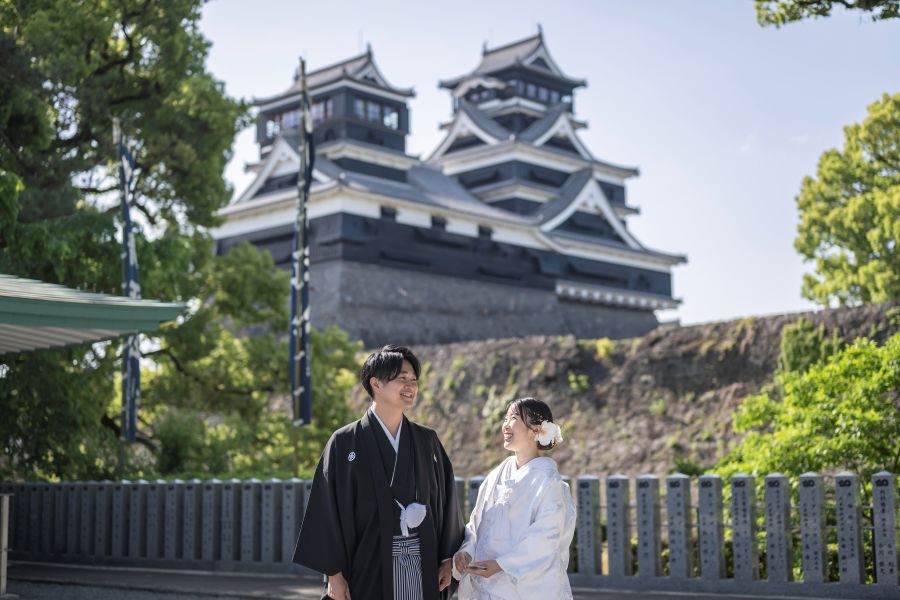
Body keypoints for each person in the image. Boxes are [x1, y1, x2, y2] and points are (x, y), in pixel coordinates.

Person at [293, 344, 464, 600]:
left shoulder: (426, 440)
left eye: (414, 380)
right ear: (376, 383)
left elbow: (446, 503)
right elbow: (327, 509)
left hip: (422, 564)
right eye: (402, 379)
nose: (410, 386)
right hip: (367, 566)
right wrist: (334, 575)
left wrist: (446, 559)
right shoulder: (345, 441)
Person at [453, 397, 576, 600]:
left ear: (535, 430)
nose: (505, 425)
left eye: (514, 418)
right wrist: (466, 552)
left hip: (523, 590)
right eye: (505, 418)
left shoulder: (549, 482)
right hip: (484, 586)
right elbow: (476, 524)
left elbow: (545, 537)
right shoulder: (496, 475)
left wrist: (502, 564)